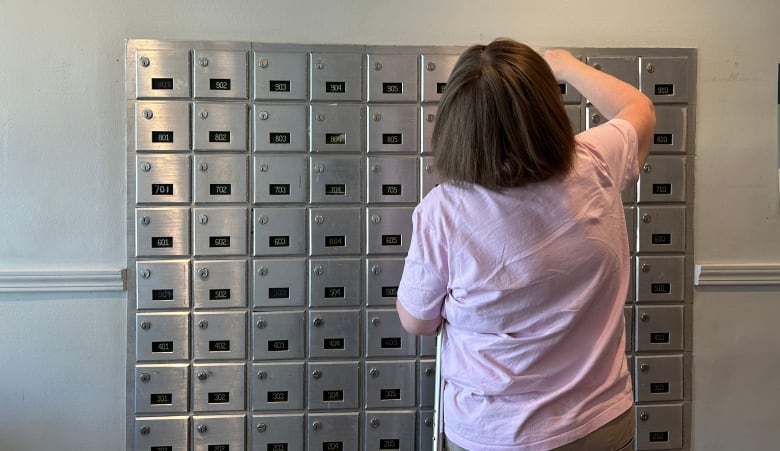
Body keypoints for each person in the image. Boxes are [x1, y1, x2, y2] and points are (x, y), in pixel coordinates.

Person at [396, 38, 655, 451]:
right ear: (549, 112)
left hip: (493, 434)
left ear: (457, 124)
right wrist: (567, 66)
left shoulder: (443, 211)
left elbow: (417, 322)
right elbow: (639, 107)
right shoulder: (596, 161)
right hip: (600, 423)